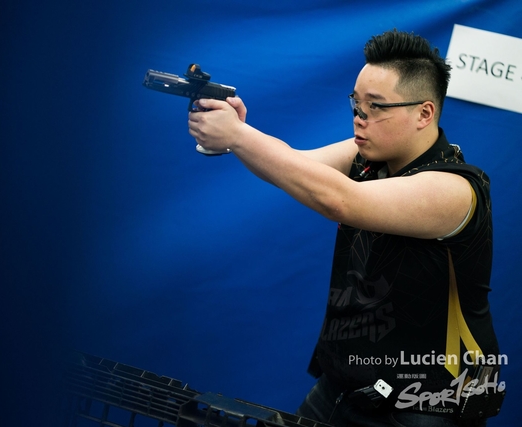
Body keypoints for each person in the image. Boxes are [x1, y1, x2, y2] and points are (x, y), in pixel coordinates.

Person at [188, 30, 503, 427]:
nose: (359, 117)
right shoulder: (366, 155)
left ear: (424, 113)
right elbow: (292, 166)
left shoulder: (454, 189)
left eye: (376, 106)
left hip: (424, 404)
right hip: (347, 383)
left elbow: (341, 201)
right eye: (356, 102)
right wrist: (236, 135)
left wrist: (238, 136)